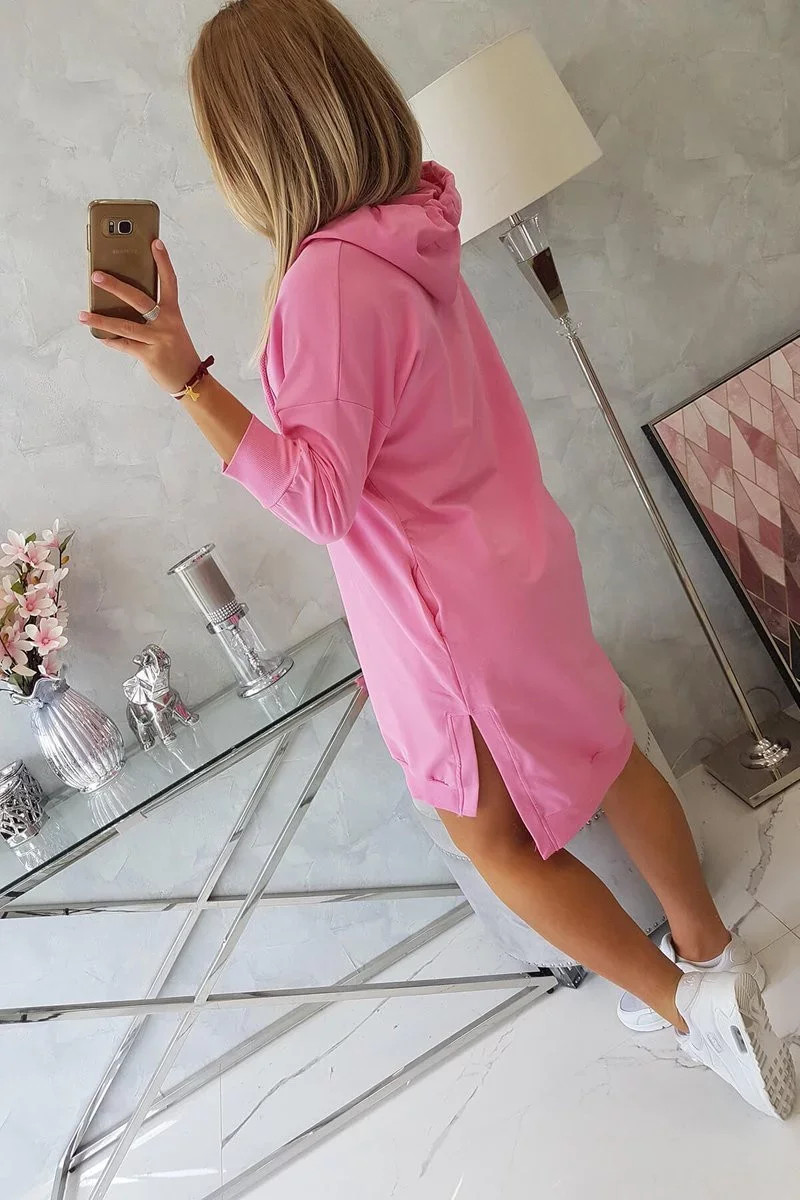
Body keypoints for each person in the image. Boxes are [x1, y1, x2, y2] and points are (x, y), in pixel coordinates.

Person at [79, 0, 794, 1119]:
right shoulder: (411, 221)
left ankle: (686, 1008)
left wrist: (188, 380)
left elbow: (321, 498)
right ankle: (709, 950)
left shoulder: (323, 281)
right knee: (605, 748)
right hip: (519, 563)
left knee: (490, 834)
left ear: (251, 144)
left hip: (444, 612)